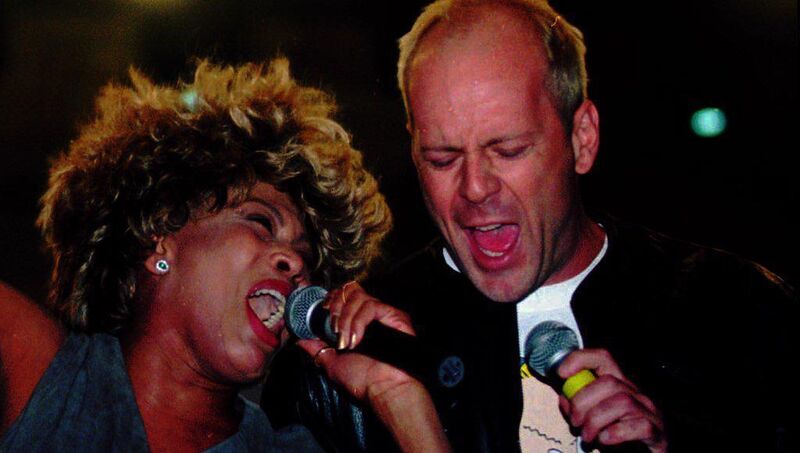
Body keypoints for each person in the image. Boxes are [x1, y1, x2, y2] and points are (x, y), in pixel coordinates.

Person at [262, 1, 797, 452]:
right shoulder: (353, 359)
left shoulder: (737, 311)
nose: (474, 187)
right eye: (443, 157)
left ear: (581, 138)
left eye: (509, 149)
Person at [0, 58, 452, 452]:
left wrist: (401, 399)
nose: (295, 265)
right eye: (260, 222)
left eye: (305, 257)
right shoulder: (45, 375)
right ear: (160, 234)